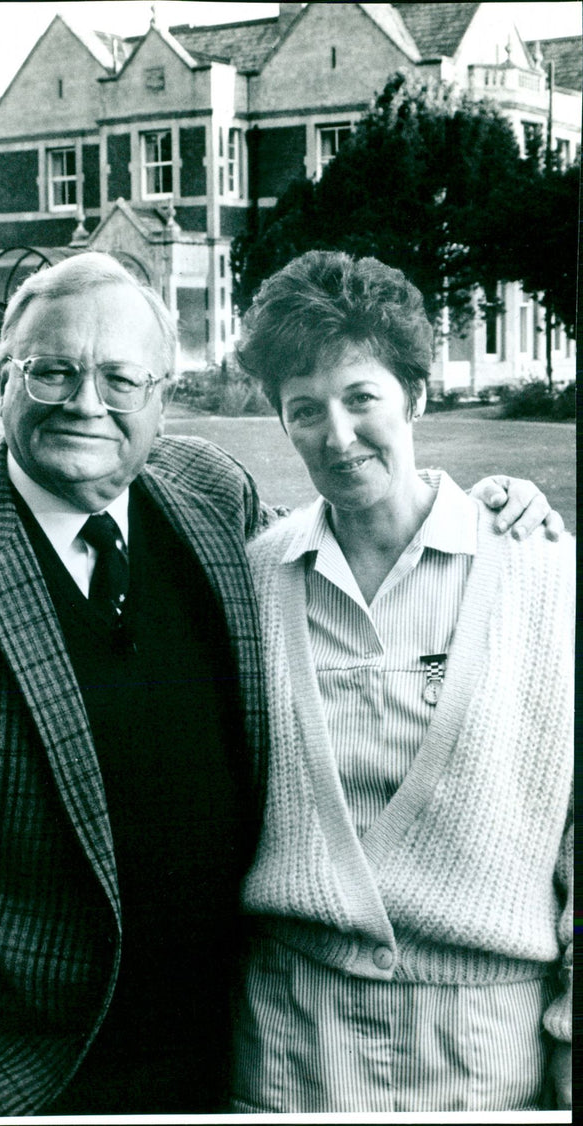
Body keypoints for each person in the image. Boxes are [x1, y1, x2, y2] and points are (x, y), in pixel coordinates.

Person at [0, 251, 562, 1118]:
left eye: (122, 378)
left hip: (227, 1054)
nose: (86, 403)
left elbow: (364, 547)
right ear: (1, 376)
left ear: (162, 394)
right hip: (6, 1073)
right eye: (51, 371)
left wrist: (494, 513)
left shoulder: (209, 499)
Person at [230, 250, 573, 1114]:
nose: (336, 437)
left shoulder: (541, 571)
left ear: (415, 396)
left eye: (361, 399)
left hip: (484, 1050)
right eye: (304, 411)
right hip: (290, 1046)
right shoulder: (258, 576)